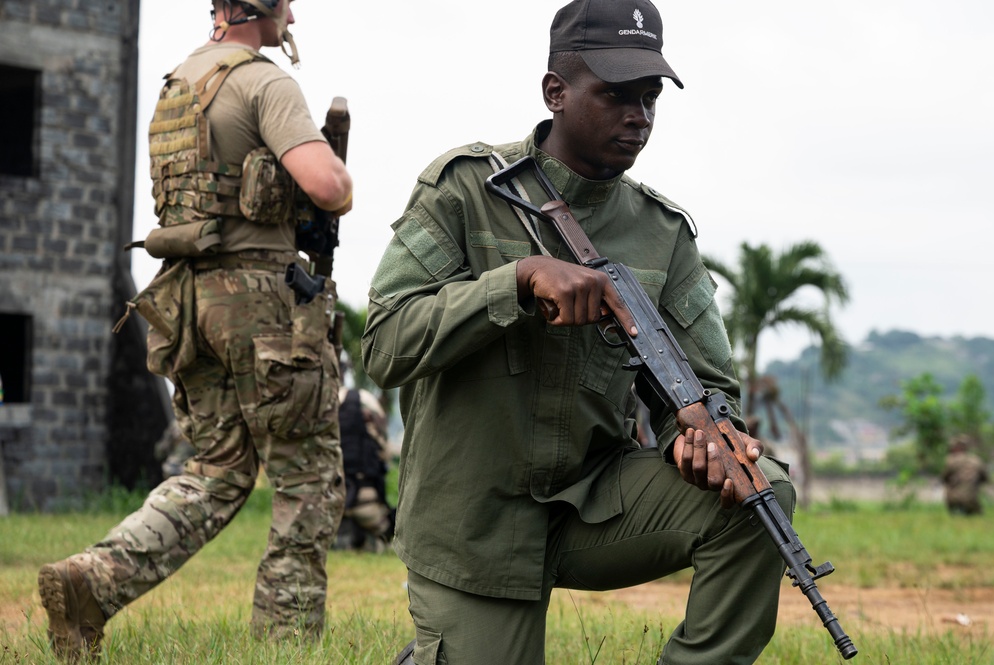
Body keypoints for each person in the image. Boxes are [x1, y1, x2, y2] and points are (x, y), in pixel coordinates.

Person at [361, 1, 795, 663]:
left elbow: (704, 383)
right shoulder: (464, 190)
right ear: (554, 92)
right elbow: (386, 344)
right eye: (616, 95)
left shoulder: (662, 233)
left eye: (649, 98)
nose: (638, 117)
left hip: (593, 503)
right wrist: (516, 281)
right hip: (472, 518)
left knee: (757, 492)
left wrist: (701, 432)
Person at [37, 1, 352, 660]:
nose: (292, 12)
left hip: (187, 302)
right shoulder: (264, 80)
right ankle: (285, 648)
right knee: (306, 476)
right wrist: (338, 179)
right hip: (261, 306)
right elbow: (327, 185)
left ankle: (92, 583)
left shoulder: (179, 83)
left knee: (217, 469)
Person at [332, 385, 394, 552]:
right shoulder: (368, 401)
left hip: (331, 502)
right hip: (368, 502)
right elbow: (384, 452)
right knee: (385, 532)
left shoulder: (327, 400)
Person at [943, 434, 989, 515]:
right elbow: (985, 478)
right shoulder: (976, 460)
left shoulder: (951, 460)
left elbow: (944, 478)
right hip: (971, 500)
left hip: (954, 501)